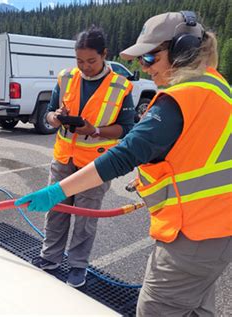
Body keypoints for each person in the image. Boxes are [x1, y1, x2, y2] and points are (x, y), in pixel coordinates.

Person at [15, 11, 231, 316]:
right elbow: (197, 152)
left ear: (183, 51)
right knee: (197, 309)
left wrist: (56, 192)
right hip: (216, 228)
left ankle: (77, 267)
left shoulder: (182, 98)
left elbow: (125, 152)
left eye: (150, 59)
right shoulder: (217, 88)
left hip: (193, 232)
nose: (144, 68)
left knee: (156, 309)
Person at [30, 26, 135, 288]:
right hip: (63, 159)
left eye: (91, 61)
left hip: (96, 165)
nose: (85, 67)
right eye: (79, 61)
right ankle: (50, 257)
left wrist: (95, 130)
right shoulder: (66, 78)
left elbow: (127, 128)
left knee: (85, 218)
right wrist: (54, 117)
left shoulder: (121, 86)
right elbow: (50, 113)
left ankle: (78, 267)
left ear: (104, 55)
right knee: (56, 209)